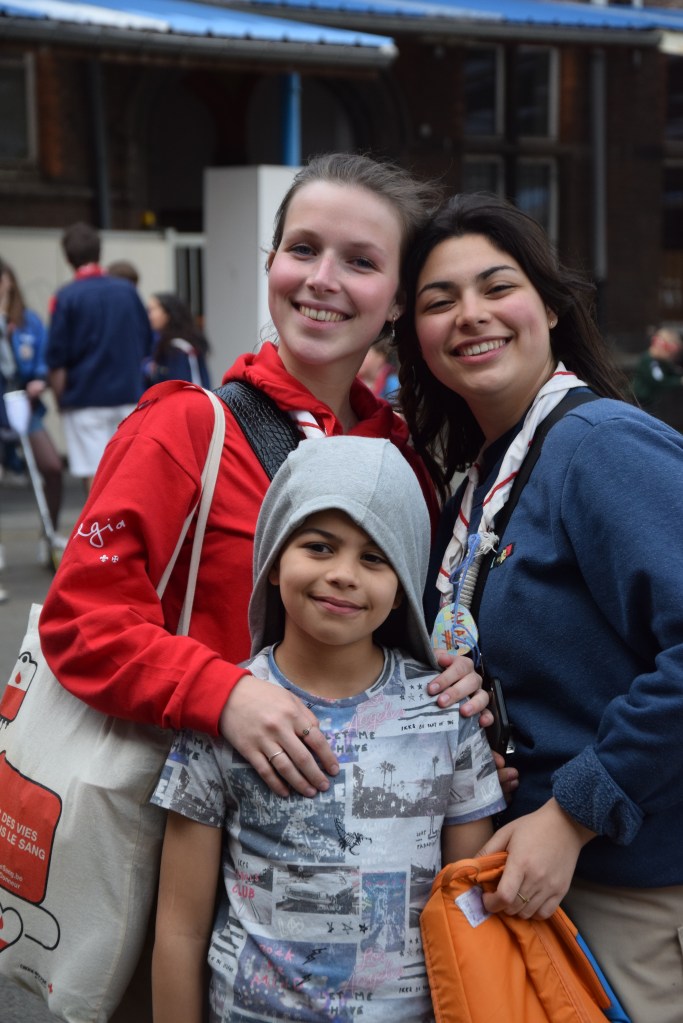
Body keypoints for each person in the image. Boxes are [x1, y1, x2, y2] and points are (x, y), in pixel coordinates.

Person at [39, 155, 489, 1021]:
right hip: (179, 862)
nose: (322, 279)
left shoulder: (409, 462)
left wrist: (452, 678)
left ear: (398, 298)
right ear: (271, 260)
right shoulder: (185, 426)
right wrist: (222, 694)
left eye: (360, 261)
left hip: (365, 923)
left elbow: (408, 634)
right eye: (302, 248)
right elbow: (80, 620)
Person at [395, 191, 683, 1023]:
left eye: (496, 287)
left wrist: (571, 812)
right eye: (438, 300)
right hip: (546, 884)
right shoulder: (479, 474)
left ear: (551, 308)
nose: (469, 314)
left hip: (633, 890)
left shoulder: (599, 444)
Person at [151, 435, 505, 1023]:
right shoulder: (224, 713)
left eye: (375, 558)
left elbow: (471, 912)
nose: (343, 575)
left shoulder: (448, 713)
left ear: (402, 588)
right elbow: (179, 929)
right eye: (319, 546)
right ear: (273, 561)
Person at [45, 221, 153, 494]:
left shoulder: (66, 297)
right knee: (128, 470)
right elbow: (146, 340)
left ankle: (102, 523)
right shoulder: (127, 291)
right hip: (128, 395)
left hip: (84, 399)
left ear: (68, 258)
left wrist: (60, 399)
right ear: (99, 252)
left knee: (95, 473)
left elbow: (57, 357)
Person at [0, 259, 67, 557]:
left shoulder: (28, 321)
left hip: (23, 406)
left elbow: (43, 357)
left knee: (52, 467)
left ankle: (48, 534)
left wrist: (39, 380)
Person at [144, 291, 211, 387]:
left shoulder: (180, 348)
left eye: (152, 310)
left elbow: (186, 387)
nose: (148, 316)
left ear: (168, 314)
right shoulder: (161, 344)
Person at [630, 324, 683, 419]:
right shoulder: (649, 360)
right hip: (640, 400)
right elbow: (659, 380)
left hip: (651, 400)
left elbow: (672, 372)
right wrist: (679, 381)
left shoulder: (661, 362)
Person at [358, 337, 400, 403]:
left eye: (364, 354)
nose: (358, 359)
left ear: (380, 357)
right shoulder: (355, 383)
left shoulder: (392, 384)